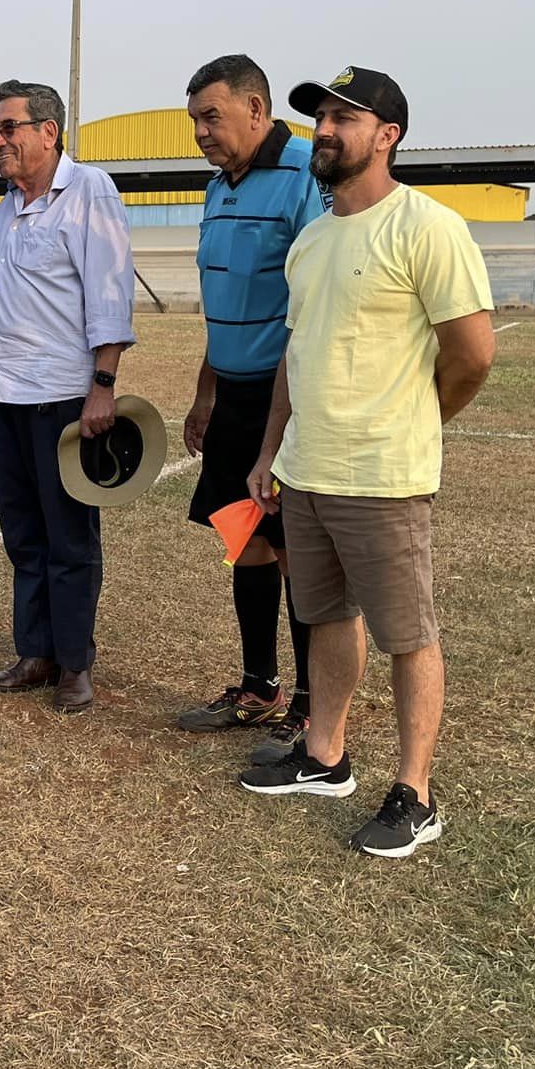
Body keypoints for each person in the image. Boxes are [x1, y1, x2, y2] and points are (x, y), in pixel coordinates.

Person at [240, 68, 495, 859]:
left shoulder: (428, 227)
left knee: (407, 635)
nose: (325, 128)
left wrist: (420, 417)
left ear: (387, 135)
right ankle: (325, 756)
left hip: (385, 476)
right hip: (308, 469)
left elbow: (473, 353)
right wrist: (270, 448)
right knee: (324, 616)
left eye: (345, 117)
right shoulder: (313, 237)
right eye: (320, 116)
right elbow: (296, 350)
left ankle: (415, 795)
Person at [0, 79, 138, 713]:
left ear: (48, 132)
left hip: (63, 396)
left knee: (68, 535)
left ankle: (74, 663)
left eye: (9, 129)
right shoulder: (5, 205)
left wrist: (103, 386)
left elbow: (110, 292)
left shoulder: (88, 190)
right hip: (1, 392)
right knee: (22, 531)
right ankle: (34, 651)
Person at [174, 55, 325, 760]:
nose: (202, 131)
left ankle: (312, 702)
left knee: (298, 552)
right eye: (196, 119)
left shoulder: (304, 177)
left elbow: (314, 303)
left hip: (286, 397)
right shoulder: (217, 190)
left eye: (213, 116)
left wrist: (284, 415)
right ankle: (258, 686)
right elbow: (224, 304)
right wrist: (205, 392)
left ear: (257, 110)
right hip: (232, 394)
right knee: (246, 539)